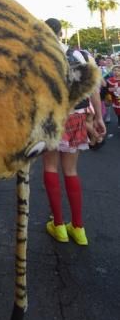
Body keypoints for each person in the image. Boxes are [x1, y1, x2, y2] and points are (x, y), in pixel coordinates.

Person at [42, 18, 106, 246]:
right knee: (71, 171)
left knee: (50, 167)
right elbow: (94, 90)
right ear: (60, 33)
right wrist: (98, 117)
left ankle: (58, 225)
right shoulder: (82, 55)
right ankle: (78, 229)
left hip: (51, 118)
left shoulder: (41, 56)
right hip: (78, 117)